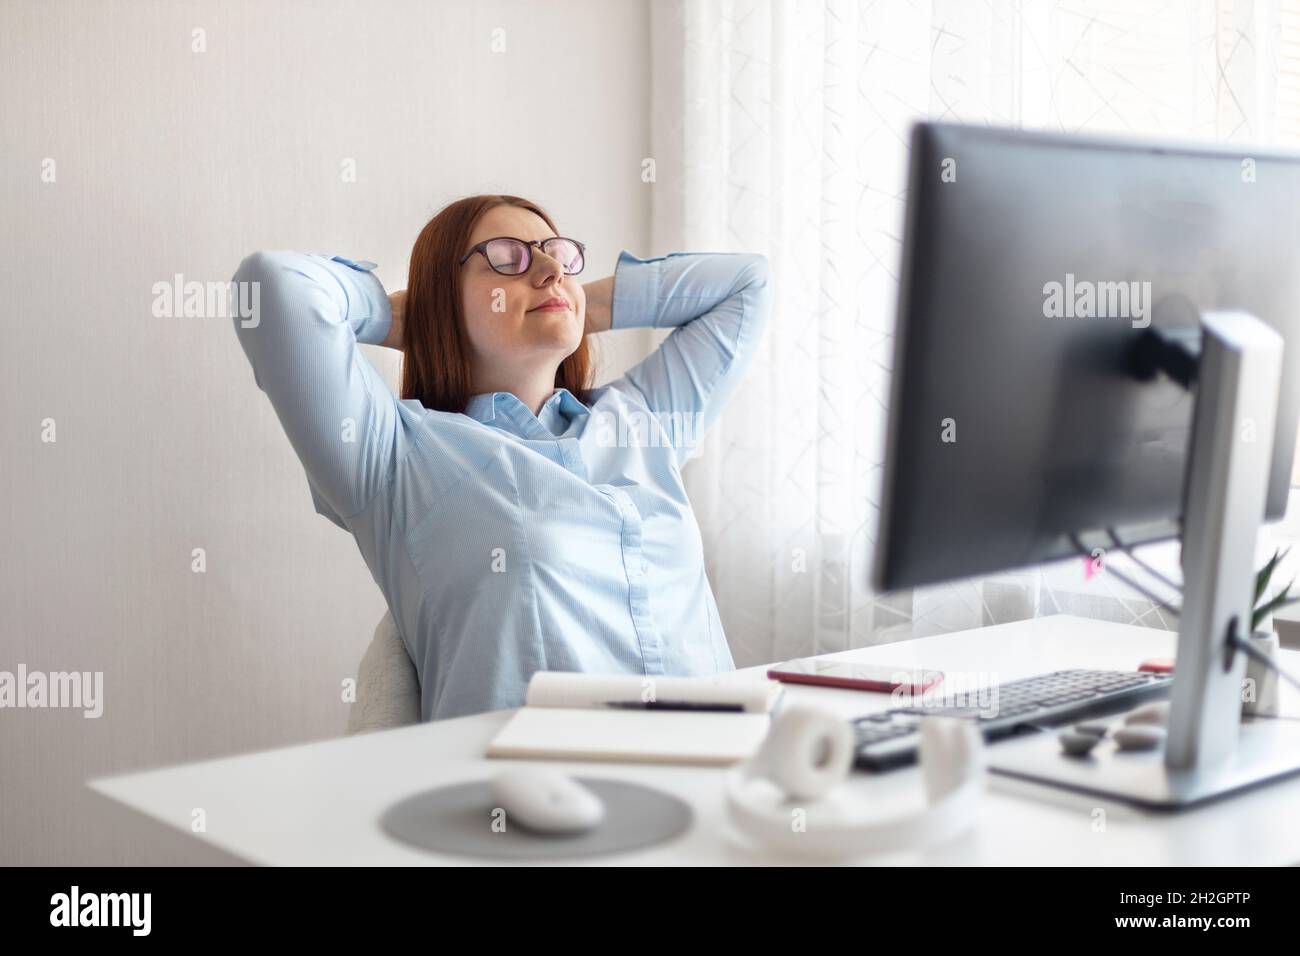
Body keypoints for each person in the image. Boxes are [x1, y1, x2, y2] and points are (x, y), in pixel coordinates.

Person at [231, 194, 773, 720]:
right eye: (507, 257)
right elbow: (272, 285)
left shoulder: (640, 422)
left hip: (719, 773)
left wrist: (580, 304)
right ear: (444, 297)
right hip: (534, 796)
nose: (547, 269)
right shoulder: (395, 456)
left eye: (558, 255)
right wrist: (416, 316)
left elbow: (746, 284)